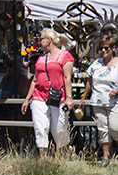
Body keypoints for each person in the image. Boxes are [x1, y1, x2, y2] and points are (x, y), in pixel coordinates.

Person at [21, 28, 74, 156]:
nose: (39, 42)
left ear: (48, 40)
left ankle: (66, 154)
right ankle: (43, 158)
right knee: (40, 127)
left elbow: (67, 78)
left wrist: (69, 97)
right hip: (39, 96)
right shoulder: (41, 58)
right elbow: (35, 79)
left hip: (57, 96)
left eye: (41, 39)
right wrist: (27, 99)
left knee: (59, 129)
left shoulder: (64, 55)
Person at [79, 34, 118, 166]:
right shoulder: (96, 64)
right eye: (101, 48)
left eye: (106, 48)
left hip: (114, 102)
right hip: (98, 100)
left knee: (115, 128)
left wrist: (117, 90)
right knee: (102, 129)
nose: (103, 51)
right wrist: (84, 97)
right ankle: (106, 157)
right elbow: (90, 81)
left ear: (113, 48)